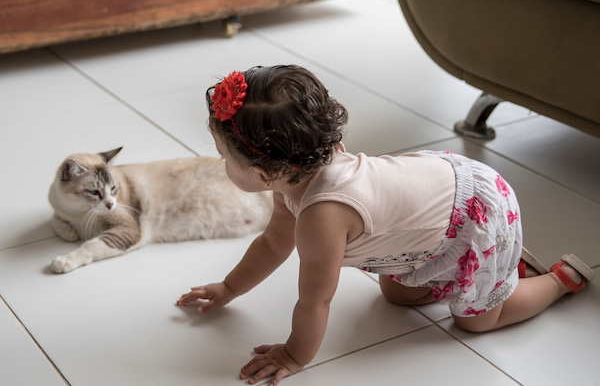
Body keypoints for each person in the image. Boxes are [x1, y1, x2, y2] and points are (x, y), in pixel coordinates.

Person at [177, 65, 595, 386]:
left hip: (476, 210)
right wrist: (230, 288)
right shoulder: (294, 174)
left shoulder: (322, 216)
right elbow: (272, 243)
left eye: (223, 156)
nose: (221, 162)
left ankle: (556, 279)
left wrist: (294, 355)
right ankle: (481, 267)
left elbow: (315, 302)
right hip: (434, 211)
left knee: (475, 321)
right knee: (397, 294)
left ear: (267, 172)